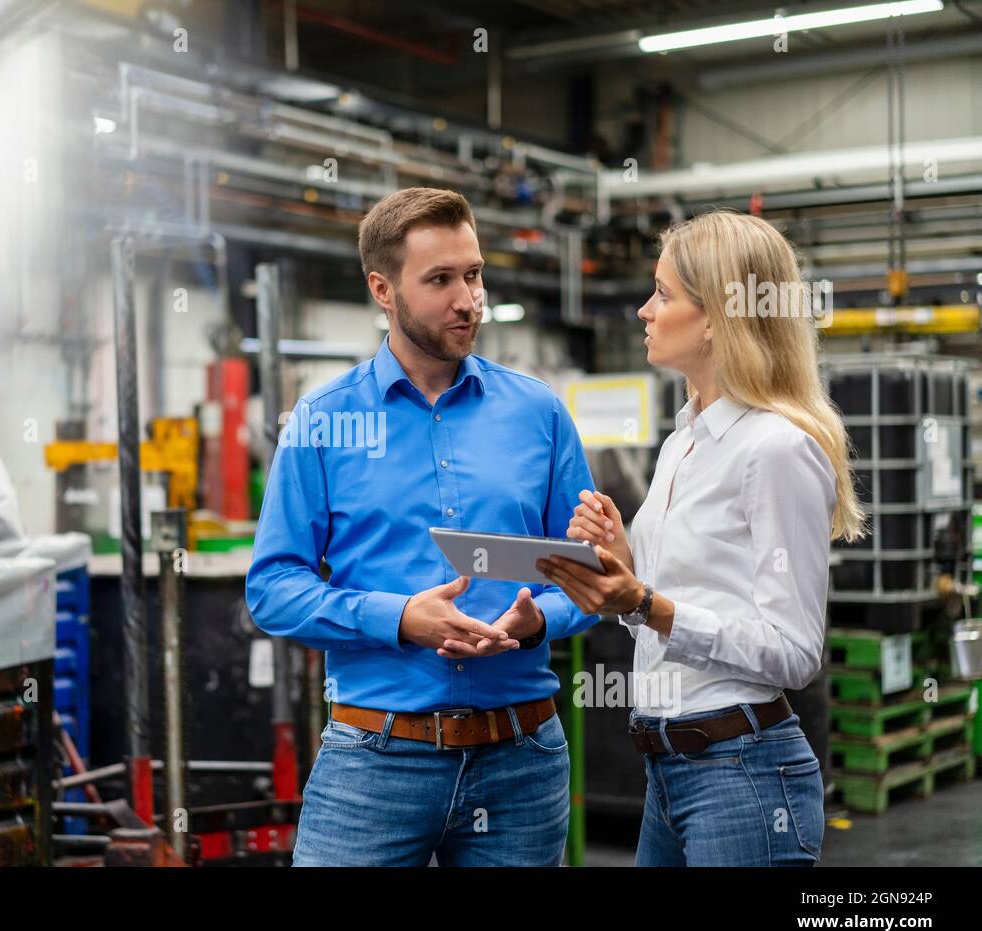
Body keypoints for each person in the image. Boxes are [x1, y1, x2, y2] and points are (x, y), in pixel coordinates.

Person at [246, 187, 598, 866]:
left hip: (522, 760)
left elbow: (588, 576)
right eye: (439, 279)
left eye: (473, 274)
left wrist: (537, 622)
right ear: (383, 288)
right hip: (374, 763)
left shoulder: (539, 414)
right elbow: (273, 589)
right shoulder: (323, 421)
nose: (467, 299)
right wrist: (400, 617)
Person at [538, 209, 865, 866]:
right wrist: (624, 576)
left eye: (663, 293)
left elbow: (796, 653)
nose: (643, 311)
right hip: (668, 771)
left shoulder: (774, 450)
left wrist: (644, 603)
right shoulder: (684, 442)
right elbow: (669, 623)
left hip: (743, 776)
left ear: (716, 317)